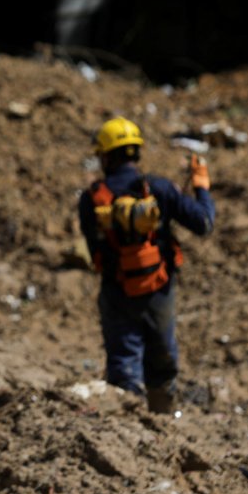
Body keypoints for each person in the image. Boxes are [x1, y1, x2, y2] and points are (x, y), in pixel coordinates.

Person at [78, 117, 216, 413]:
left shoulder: (92, 199)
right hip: (159, 290)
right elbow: (204, 223)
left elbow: (94, 251)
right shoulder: (159, 188)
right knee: (162, 363)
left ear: (105, 156)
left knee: (123, 363)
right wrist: (201, 187)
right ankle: (162, 426)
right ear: (135, 153)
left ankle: (124, 428)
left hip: (116, 291)